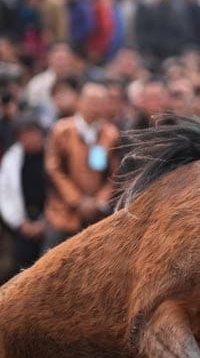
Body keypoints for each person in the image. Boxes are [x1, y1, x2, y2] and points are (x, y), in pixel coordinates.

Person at [44, 81, 119, 250]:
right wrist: (77, 201)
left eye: (100, 103)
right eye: (91, 102)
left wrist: (99, 201)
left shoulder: (110, 133)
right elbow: (54, 169)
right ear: (79, 102)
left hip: (97, 214)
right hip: (63, 212)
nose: (95, 107)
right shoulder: (61, 130)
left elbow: (115, 174)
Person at [0, 114, 47, 273]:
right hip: (23, 225)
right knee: (21, 268)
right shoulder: (11, 159)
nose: (29, 138)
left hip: (51, 221)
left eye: (33, 132)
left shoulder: (51, 155)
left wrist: (46, 222)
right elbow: (4, 194)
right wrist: (20, 223)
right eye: (24, 134)